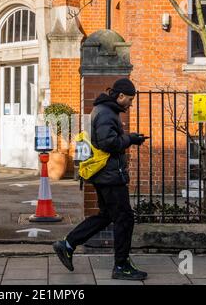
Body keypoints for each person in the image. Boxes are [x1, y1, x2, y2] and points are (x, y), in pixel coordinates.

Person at [53, 78, 148, 281]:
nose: (131, 103)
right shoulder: (106, 112)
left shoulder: (105, 110)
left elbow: (109, 139)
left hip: (105, 175)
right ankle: (121, 266)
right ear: (120, 96)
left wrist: (129, 137)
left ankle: (68, 244)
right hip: (110, 176)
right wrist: (130, 139)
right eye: (129, 99)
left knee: (107, 215)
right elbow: (107, 143)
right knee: (124, 218)